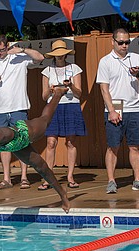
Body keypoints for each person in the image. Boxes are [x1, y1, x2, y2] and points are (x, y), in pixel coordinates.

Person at [0, 35, 45, 190]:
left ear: (7, 46)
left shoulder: (19, 58)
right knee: (2, 144)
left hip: (18, 107)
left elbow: (40, 58)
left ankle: (24, 177)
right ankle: (6, 178)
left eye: (2, 50)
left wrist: (21, 49)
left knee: (22, 142)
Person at [96, 28, 139, 194]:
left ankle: (137, 180)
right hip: (115, 109)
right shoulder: (105, 61)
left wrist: (138, 75)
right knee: (113, 146)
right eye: (120, 42)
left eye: (127, 42)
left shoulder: (137, 58)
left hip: (134, 108)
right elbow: (104, 89)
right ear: (112, 42)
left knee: (135, 147)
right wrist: (111, 110)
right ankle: (111, 181)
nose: (124, 45)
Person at [39, 39, 85, 190]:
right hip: (53, 106)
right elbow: (44, 97)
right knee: (51, 142)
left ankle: (70, 176)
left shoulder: (75, 68)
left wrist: (70, 85)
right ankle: (48, 177)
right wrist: (52, 90)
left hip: (71, 105)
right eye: (57, 54)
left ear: (66, 55)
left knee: (71, 142)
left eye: (62, 54)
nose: (59, 57)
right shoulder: (47, 71)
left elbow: (79, 93)